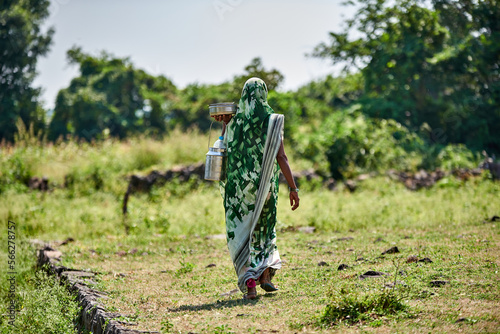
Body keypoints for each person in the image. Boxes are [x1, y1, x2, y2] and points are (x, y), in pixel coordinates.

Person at [212, 77, 300, 300]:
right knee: (263, 230)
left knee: (242, 233)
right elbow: (281, 157)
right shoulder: (273, 121)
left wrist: (225, 121)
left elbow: (223, 144)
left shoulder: (233, 121)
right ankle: (265, 277)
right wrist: (293, 188)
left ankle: (250, 284)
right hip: (265, 189)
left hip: (238, 191)